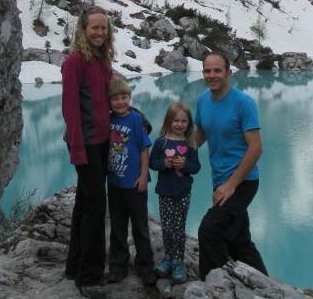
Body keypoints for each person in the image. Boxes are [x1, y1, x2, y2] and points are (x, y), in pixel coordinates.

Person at [194, 50, 268, 281]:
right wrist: (179, 152)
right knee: (239, 239)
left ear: (229, 73)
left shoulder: (243, 103)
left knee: (209, 230)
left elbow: (255, 148)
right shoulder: (203, 100)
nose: (212, 75)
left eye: (217, 70)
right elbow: (201, 132)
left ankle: (213, 287)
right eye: (207, 71)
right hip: (220, 180)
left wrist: (231, 186)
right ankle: (264, 285)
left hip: (242, 181)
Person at [61, 5, 114, 299]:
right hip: (85, 143)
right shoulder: (74, 61)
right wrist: (78, 149)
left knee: (84, 203)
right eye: (94, 27)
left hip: (101, 141)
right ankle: (89, 276)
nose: (99, 32)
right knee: (95, 207)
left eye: (103, 28)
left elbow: (108, 101)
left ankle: (74, 266)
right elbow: (70, 109)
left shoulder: (101, 60)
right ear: (82, 30)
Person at [106, 76, 157, 286]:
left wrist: (144, 175)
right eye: (115, 98)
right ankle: (118, 266)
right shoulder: (107, 120)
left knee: (140, 226)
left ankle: (145, 266)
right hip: (115, 183)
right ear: (108, 101)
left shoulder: (136, 119)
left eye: (124, 97)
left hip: (135, 183)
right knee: (117, 226)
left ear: (130, 97)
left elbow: (144, 148)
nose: (120, 102)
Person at [149, 101, 200, 284]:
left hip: (183, 193)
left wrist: (185, 165)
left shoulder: (190, 144)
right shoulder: (161, 142)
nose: (179, 124)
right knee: (167, 227)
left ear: (189, 123)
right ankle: (168, 257)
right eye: (176, 120)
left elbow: (196, 167)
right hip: (165, 192)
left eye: (184, 121)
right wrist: (164, 163)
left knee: (178, 228)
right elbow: (152, 163)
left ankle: (178, 261)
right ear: (168, 121)